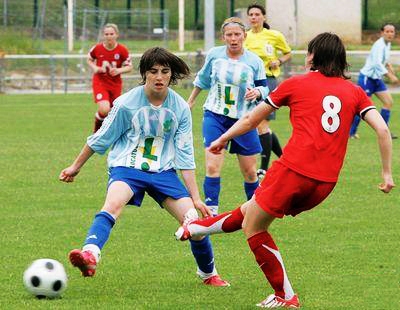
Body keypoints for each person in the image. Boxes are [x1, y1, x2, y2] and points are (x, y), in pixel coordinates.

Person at [175, 33, 395, 308]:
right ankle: (196, 229)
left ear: (313, 56)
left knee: (253, 227)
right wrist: (387, 174)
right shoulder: (354, 92)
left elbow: (251, 118)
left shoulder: (297, 83)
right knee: (251, 210)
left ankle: (285, 295)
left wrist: (222, 138)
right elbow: (383, 130)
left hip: (293, 171)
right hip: (325, 184)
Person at [59, 47, 229, 287]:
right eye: (153, 71)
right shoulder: (126, 103)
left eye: (164, 71)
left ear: (171, 75)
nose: (159, 77)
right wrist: (75, 166)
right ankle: (90, 254)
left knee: (194, 224)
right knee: (113, 204)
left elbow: (185, 155)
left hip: (164, 172)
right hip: (127, 167)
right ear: (144, 74)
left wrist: (196, 198)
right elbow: (101, 138)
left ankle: (208, 274)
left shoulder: (180, 107)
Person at [187, 17, 269, 216]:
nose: (233, 39)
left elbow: (265, 88)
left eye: (237, 34)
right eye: (229, 35)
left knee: (250, 172)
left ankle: (254, 211)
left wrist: (258, 92)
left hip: (244, 120)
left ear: (244, 36)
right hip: (215, 116)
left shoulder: (254, 61)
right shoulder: (215, 55)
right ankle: (211, 211)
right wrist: (191, 101)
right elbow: (203, 79)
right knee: (212, 166)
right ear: (223, 37)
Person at [244, 3, 292, 178]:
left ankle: (263, 168)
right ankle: (284, 159)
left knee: (261, 124)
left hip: (267, 81)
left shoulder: (274, 35)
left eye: (257, 14)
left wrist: (279, 61)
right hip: (250, 84)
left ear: (264, 17)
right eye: (251, 14)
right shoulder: (244, 36)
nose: (254, 17)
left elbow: (287, 53)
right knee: (262, 127)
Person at [350, 23, 398, 139]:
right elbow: (376, 64)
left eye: (392, 31)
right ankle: (350, 133)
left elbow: (382, 60)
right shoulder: (379, 45)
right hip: (367, 78)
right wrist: (390, 76)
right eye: (387, 31)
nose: (390, 34)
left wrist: (388, 65)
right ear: (382, 33)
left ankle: (384, 131)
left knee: (388, 102)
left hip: (376, 79)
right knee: (362, 107)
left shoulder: (387, 44)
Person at [88, 23, 133, 132]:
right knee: (104, 109)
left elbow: (130, 67)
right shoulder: (97, 48)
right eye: (106, 34)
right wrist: (95, 68)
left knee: (113, 112)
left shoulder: (122, 50)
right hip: (100, 82)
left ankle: (106, 134)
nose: (109, 36)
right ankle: (96, 132)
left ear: (116, 35)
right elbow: (89, 59)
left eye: (111, 34)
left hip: (115, 84)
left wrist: (118, 70)